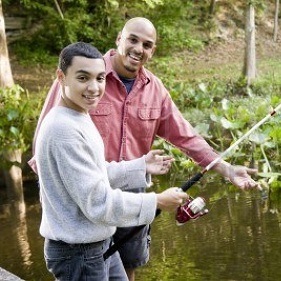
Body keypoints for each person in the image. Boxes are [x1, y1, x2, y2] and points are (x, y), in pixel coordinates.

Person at [29, 18, 260, 281]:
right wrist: (57, 200)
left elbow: (187, 136)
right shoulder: (77, 78)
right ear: (119, 39)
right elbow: (46, 150)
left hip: (130, 190)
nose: (139, 48)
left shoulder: (153, 90)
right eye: (133, 39)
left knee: (127, 267)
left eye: (147, 44)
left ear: (153, 51)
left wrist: (227, 169)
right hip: (86, 206)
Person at [35, 41, 188, 281]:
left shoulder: (77, 115)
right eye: (83, 78)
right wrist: (157, 201)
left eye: (100, 78)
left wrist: (140, 166)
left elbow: (94, 172)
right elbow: (98, 203)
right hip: (78, 254)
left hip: (98, 243)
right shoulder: (62, 129)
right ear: (61, 77)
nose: (94, 88)